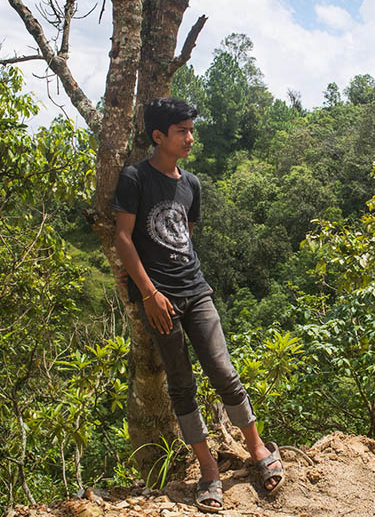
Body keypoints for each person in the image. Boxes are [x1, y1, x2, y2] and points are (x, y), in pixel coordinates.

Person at [111, 97, 284, 512]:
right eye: (181, 131)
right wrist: (150, 294)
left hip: (196, 291)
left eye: (191, 129)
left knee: (223, 371)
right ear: (158, 136)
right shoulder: (135, 178)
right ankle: (208, 471)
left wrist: (183, 281)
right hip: (159, 301)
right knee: (182, 384)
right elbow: (122, 238)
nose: (190, 138)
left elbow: (185, 235)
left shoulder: (192, 184)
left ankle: (258, 449)